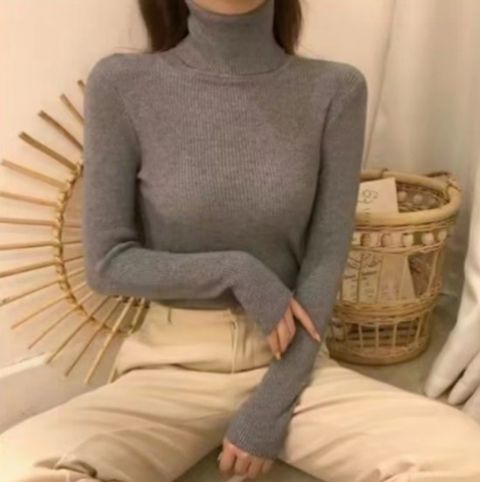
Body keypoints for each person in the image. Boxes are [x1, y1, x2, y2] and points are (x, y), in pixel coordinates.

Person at [1, 0, 480, 481]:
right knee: (17, 467)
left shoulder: (335, 89)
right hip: (170, 366)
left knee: (466, 456)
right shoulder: (122, 84)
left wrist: (272, 404)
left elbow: (326, 257)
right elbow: (107, 264)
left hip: (292, 361)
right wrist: (237, 272)